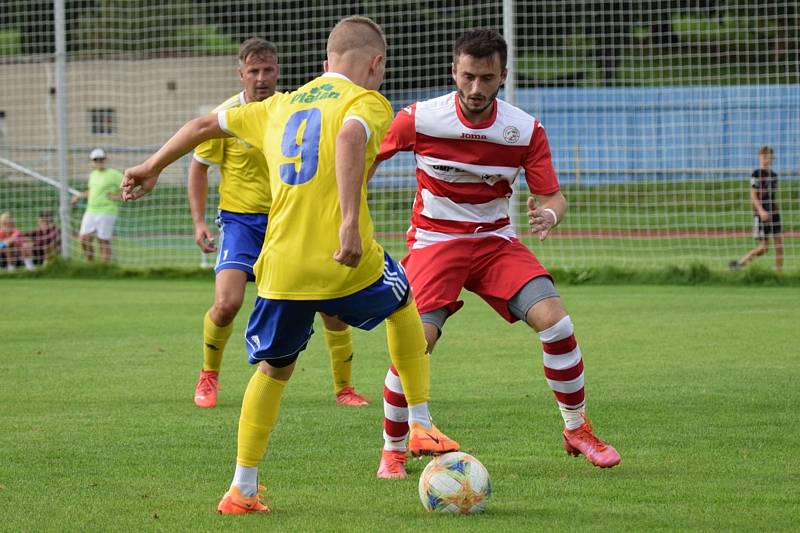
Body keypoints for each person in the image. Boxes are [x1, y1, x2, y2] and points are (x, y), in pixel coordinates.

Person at [121, 15, 456, 515]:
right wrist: (347, 220)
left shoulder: (278, 105)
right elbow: (349, 139)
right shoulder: (368, 100)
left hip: (281, 264)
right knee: (404, 299)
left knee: (275, 370)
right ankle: (421, 425)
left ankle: (242, 490)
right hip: (345, 259)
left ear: (326, 63)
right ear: (376, 62)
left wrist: (151, 166)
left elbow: (201, 126)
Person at [371, 28, 620, 479]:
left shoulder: (523, 130)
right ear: (453, 71)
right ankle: (393, 450)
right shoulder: (419, 118)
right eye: (467, 77)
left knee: (556, 322)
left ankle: (577, 429)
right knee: (415, 343)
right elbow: (364, 156)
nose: (475, 89)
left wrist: (550, 215)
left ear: (502, 76)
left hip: (495, 242)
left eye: (486, 78)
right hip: (434, 242)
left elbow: (554, 197)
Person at [189, 38, 369, 409]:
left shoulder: (291, 108)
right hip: (241, 221)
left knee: (331, 306)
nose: (261, 78)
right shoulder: (228, 115)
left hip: (290, 220)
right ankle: (209, 375)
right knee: (227, 302)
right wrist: (198, 222)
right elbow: (199, 167)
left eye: (268, 70)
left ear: (278, 72)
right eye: (253, 71)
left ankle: (344, 387)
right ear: (241, 74)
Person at [729, 145, 783, 272]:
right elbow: (753, 195)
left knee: (779, 244)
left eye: (769, 157)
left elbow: (772, 195)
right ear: (759, 157)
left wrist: (775, 209)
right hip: (761, 214)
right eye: (764, 157)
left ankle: (778, 273)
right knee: (764, 247)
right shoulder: (756, 174)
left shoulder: (774, 175)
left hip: (773, 213)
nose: (767, 159)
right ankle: (740, 264)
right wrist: (761, 210)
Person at [71, 148, 123, 262]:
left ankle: (104, 267)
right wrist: (79, 196)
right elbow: (92, 191)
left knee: (103, 240)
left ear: (106, 159)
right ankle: (91, 264)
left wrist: (116, 196)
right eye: (96, 160)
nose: (99, 161)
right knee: (84, 238)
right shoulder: (93, 174)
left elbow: (127, 188)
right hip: (91, 210)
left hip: (107, 211)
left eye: (101, 159)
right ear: (92, 162)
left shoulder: (114, 174)